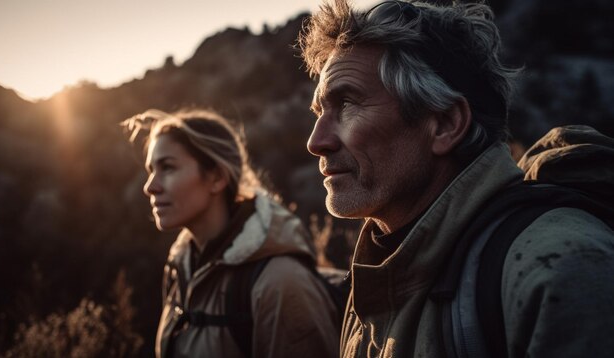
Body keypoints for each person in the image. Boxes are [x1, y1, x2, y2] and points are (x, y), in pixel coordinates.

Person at [298, 1, 614, 357]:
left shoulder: (562, 269)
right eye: (320, 111)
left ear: (446, 124)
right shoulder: (378, 276)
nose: (316, 142)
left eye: (348, 104)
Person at [122, 109, 339, 358]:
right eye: (151, 170)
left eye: (168, 168)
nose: (150, 186)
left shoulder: (280, 284)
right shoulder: (179, 268)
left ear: (216, 177)